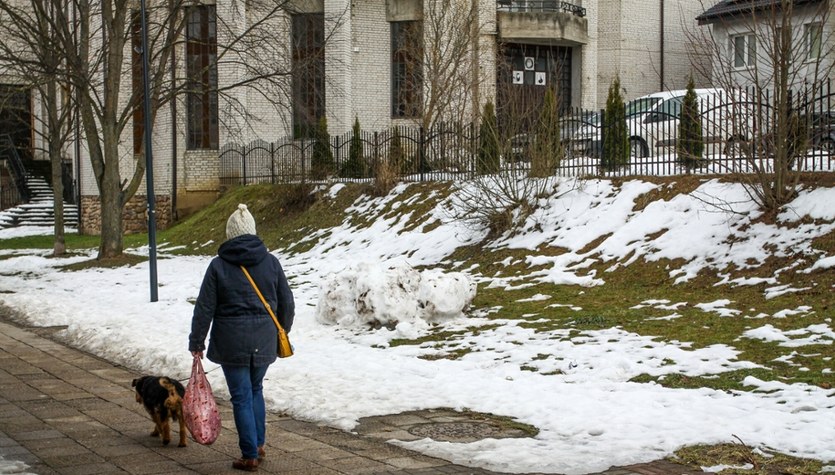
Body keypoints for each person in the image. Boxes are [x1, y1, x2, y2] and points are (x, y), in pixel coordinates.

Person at [189, 203, 295, 472]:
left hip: (231, 342)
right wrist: (282, 330)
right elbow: (287, 302)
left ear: (230, 234)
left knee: (241, 396)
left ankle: (249, 455)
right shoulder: (271, 262)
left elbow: (205, 307)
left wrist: (197, 341)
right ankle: (257, 444)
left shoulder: (218, 266)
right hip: (264, 339)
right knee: (256, 390)